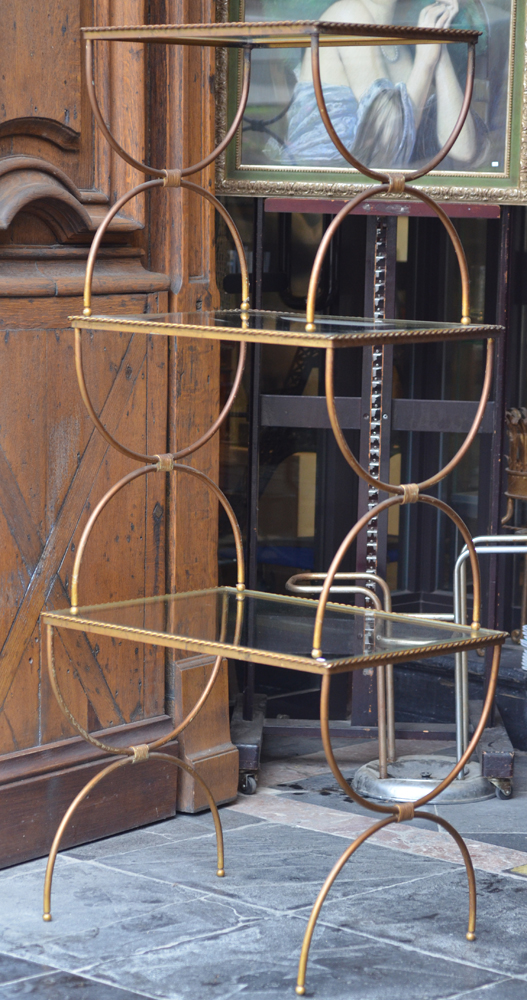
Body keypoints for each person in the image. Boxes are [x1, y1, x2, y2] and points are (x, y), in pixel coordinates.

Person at [266, 0, 488, 170]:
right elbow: (386, 146)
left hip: (373, 197)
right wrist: (425, 62)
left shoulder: (400, 45)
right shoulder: (348, 15)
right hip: (326, 194)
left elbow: (464, 150)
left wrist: (440, 46)